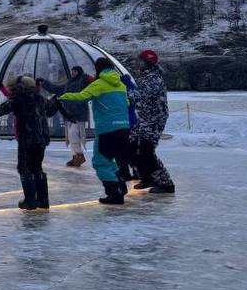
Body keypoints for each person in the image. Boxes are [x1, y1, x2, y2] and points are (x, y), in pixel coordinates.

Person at [59, 57, 132, 205]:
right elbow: (128, 102)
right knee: (109, 159)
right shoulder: (121, 85)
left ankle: (114, 194)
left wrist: (62, 97)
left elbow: (81, 97)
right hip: (124, 128)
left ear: (98, 69)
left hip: (107, 129)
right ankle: (120, 187)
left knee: (100, 162)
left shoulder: (99, 84)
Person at [0, 76, 55, 209]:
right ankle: (43, 200)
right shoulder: (39, 98)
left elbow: (0, 110)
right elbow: (51, 110)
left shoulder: (18, 99)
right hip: (40, 140)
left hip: (26, 140)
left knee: (25, 169)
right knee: (37, 168)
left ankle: (30, 201)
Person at [132, 49, 175, 194]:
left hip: (154, 121)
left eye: (141, 61)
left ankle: (166, 184)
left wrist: (128, 90)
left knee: (147, 151)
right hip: (144, 119)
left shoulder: (154, 78)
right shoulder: (146, 77)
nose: (138, 64)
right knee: (133, 147)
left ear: (148, 63)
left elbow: (141, 96)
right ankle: (147, 178)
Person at [42, 66, 90, 167]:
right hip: (69, 114)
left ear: (79, 72)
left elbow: (90, 85)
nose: (73, 73)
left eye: (75, 72)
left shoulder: (83, 81)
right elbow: (56, 89)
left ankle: (79, 155)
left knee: (73, 134)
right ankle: (75, 156)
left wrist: (88, 78)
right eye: (72, 72)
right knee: (70, 136)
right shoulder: (68, 83)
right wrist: (44, 83)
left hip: (79, 113)